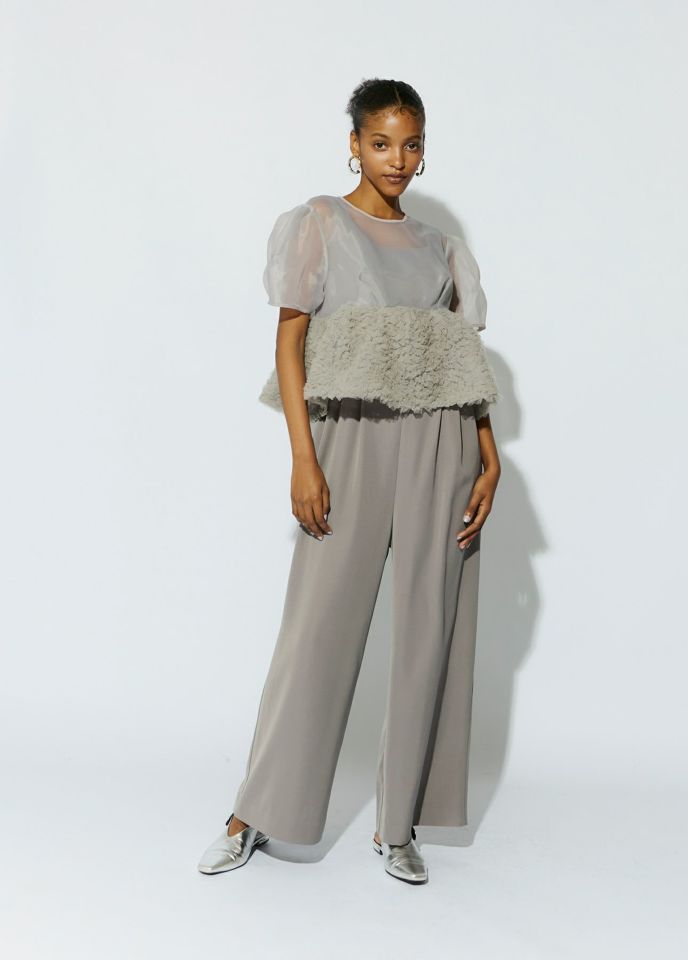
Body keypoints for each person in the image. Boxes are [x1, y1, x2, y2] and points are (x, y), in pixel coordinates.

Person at [197, 78, 501, 885]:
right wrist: (304, 458)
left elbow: (458, 358)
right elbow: (289, 345)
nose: (397, 159)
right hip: (351, 437)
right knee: (317, 630)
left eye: (411, 143)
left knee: (431, 625)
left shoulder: (441, 248)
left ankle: (398, 825)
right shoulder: (320, 224)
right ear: (354, 144)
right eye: (381, 142)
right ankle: (254, 813)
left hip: (442, 440)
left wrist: (489, 450)